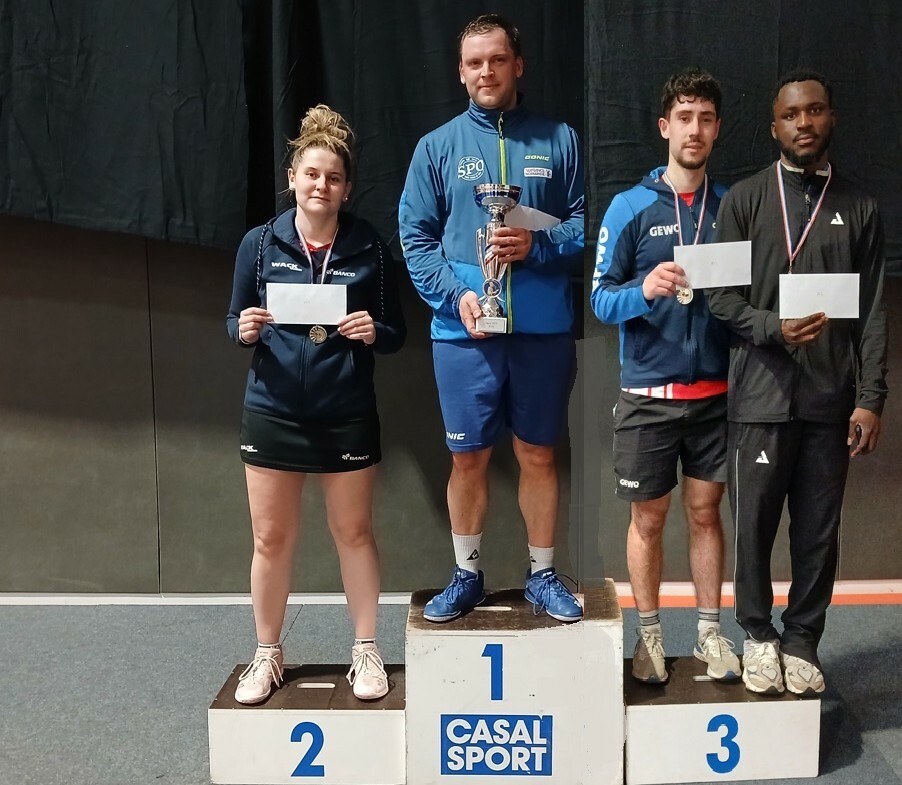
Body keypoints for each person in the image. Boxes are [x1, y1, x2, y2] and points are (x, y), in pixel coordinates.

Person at [398, 14, 584, 622]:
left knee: (539, 455)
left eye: (497, 60)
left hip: (542, 331)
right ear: (460, 72)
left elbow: (586, 224)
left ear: (517, 65)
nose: (486, 71)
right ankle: (467, 574)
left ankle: (543, 574)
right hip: (465, 330)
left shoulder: (560, 139)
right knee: (468, 458)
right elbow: (415, 237)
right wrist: (455, 295)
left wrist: (539, 245)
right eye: (475, 62)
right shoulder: (437, 147)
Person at [707, 69, 888, 695]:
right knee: (753, 527)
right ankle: (758, 635)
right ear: (773, 127)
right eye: (791, 115)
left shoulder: (860, 207)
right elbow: (718, 298)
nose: (803, 123)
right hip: (759, 396)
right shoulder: (744, 200)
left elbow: (873, 312)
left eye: (814, 111)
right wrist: (771, 327)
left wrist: (870, 398)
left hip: (829, 400)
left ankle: (804, 638)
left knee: (817, 532)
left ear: (830, 117)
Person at [226, 104, 406, 703]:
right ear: (293, 179)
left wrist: (374, 330)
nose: (321, 186)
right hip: (272, 411)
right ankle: (267, 654)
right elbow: (233, 319)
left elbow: (396, 331)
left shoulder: (369, 246)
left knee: (354, 532)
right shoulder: (259, 244)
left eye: (333, 178)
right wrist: (243, 329)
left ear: (346, 188)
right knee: (270, 539)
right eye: (311, 174)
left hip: (345, 411)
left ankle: (366, 649)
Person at [591, 69, 740, 684]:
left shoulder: (733, 206)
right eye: (684, 118)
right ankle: (648, 636)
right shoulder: (629, 207)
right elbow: (600, 300)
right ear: (664, 127)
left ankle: (709, 633)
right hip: (648, 397)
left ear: (717, 128)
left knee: (706, 513)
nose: (694, 130)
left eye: (704, 118)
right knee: (647, 520)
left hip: (715, 396)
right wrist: (644, 289)